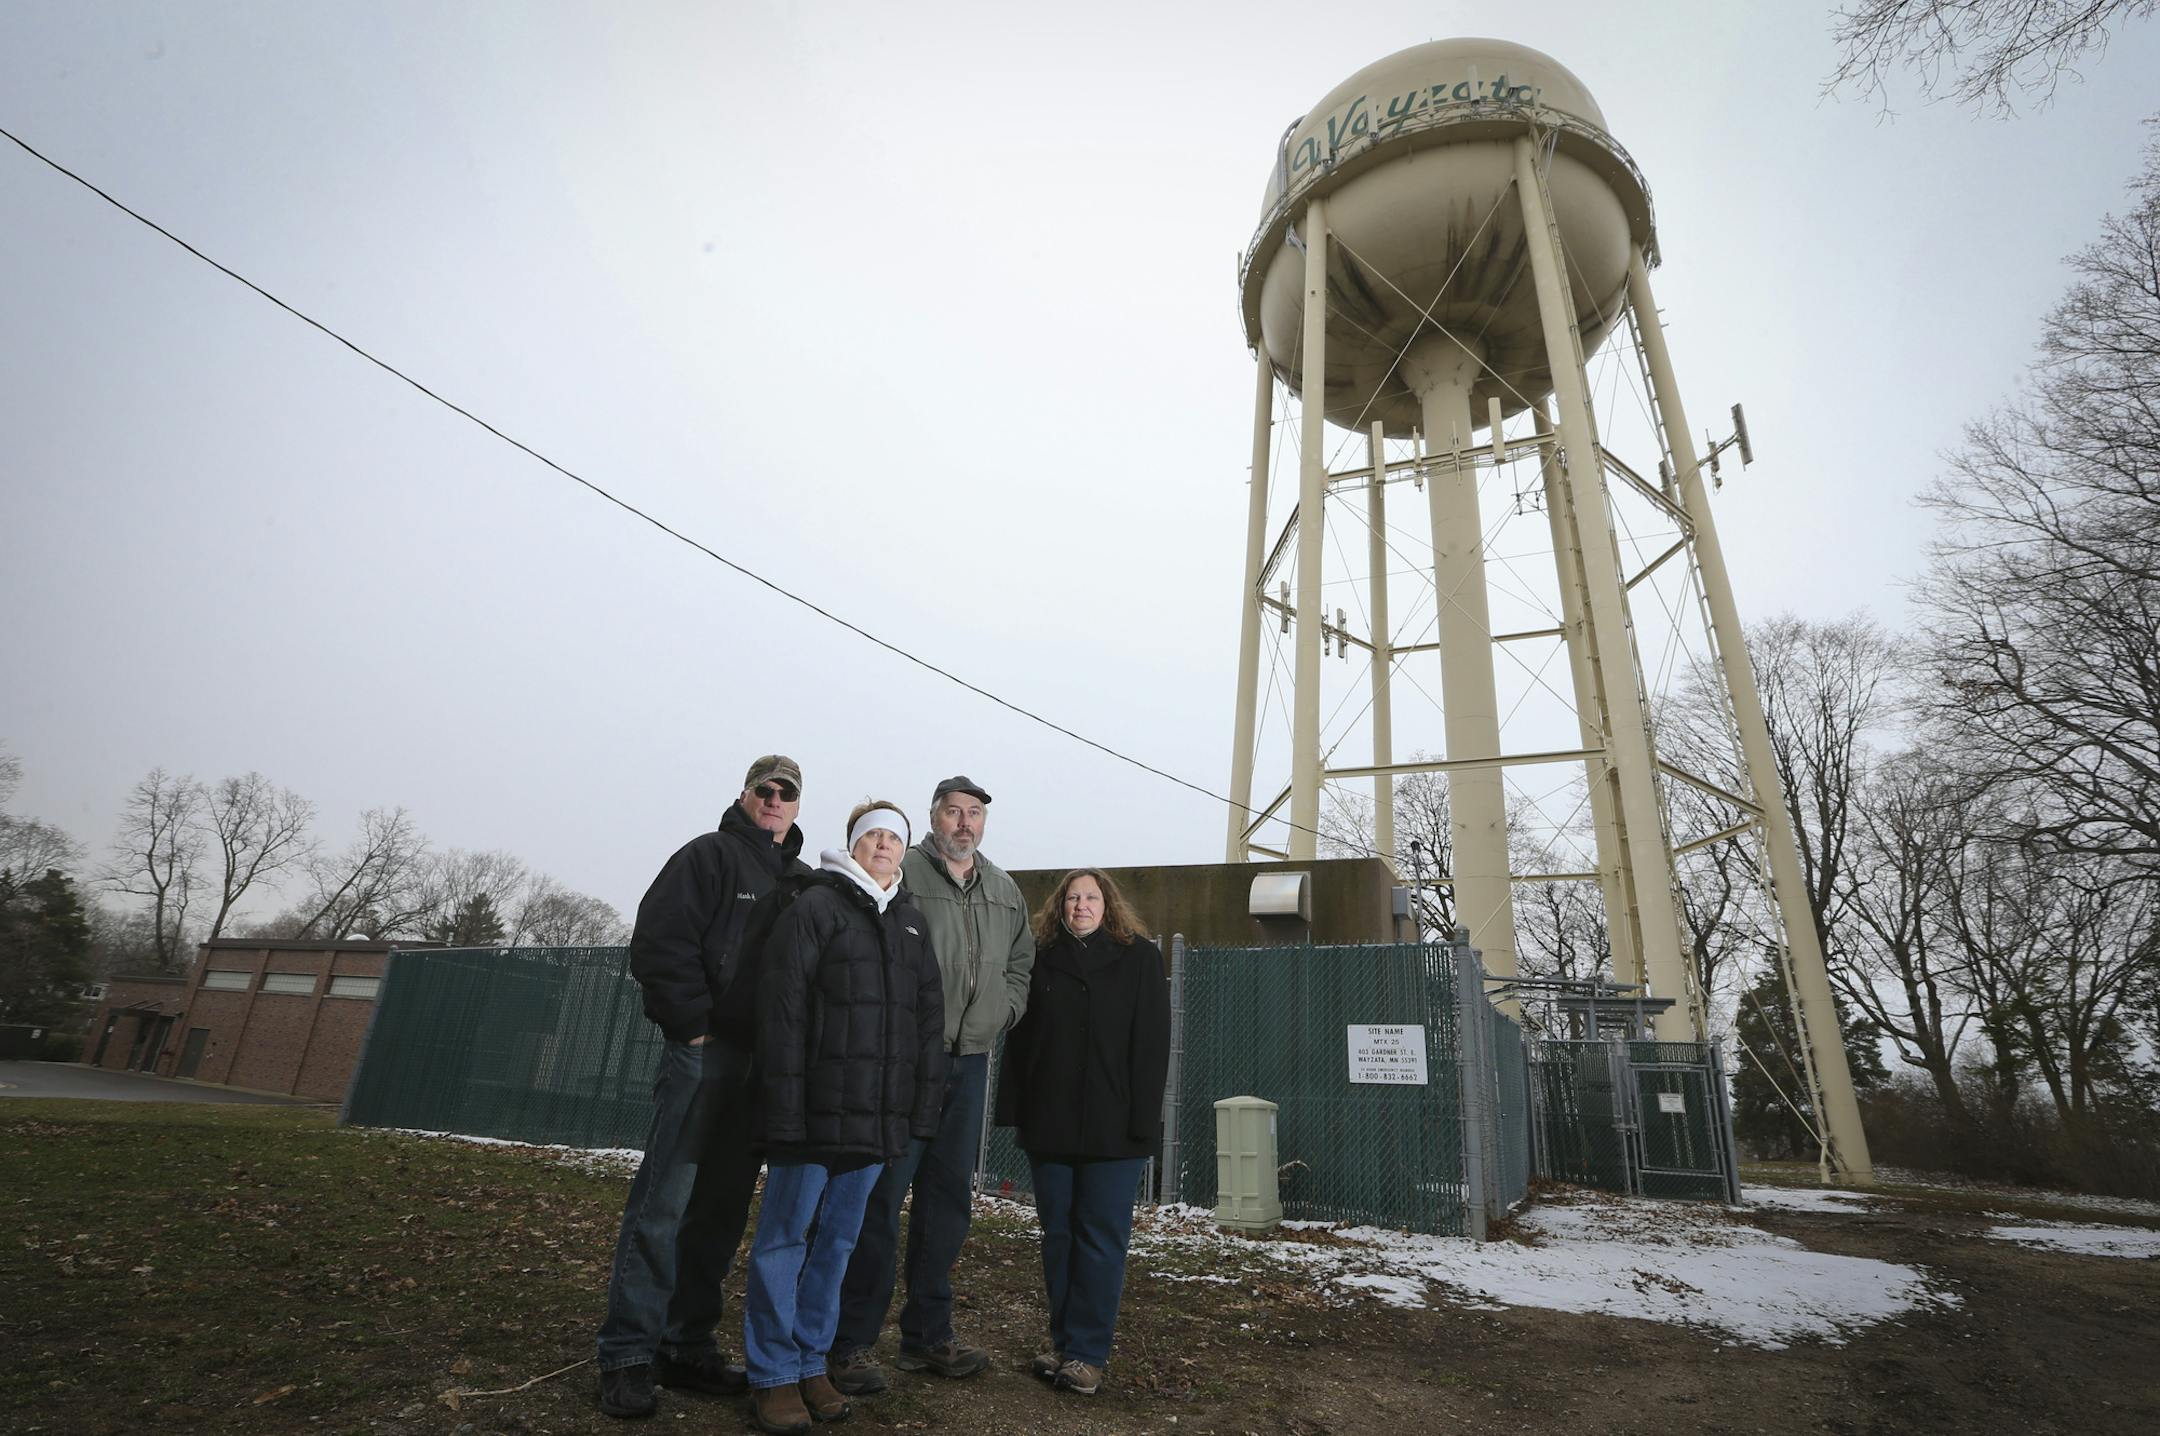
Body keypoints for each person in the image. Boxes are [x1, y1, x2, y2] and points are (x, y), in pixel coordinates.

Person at [596, 757, 813, 1420]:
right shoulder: (708, 856)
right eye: (764, 790)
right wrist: (691, 1026)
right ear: (745, 795)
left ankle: (684, 1343)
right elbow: (661, 940)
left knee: (718, 1213)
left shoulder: (804, 882)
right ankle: (628, 1353)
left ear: (799, 806)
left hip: (761, 1071)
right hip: (705, 1058)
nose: (774, 800)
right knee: (664, 1205)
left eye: (787, 793)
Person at [740, 801, 946, 1435]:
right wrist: (783, 1108)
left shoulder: (911, 923)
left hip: (874, 1123)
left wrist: (918, 1110)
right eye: (872, 835)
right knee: (783, 1241)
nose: (883, 845)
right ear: (853, 844)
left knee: (837, 1245)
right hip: (809, 1117)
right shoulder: (815, 907)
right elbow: (783, 1012)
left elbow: (927, 1026)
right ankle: (772, 1372)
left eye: (893, 837)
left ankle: (809, 1361)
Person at [829, 776, 1033, 1393]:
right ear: (934, 817)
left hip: (970, 1064)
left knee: (948, 1203)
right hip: (907, 1061)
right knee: (880, 1198)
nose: (964, 823)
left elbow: (1021, 964)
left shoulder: (1003, 889)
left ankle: (926, 1336)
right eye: (953, 812)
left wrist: (1003, 1012)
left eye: (974, 814)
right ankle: (853, 1340)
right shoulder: (909, 873)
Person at [994, 867, 1170, 1397]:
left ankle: (1089, 1354)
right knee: (1059, 1236)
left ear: (1108, 903)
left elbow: (1152, 1045)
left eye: (1091, 896)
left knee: (1101, 1240)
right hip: (1050, 1125)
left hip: (1117, 1130)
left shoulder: (1140, 958)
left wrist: (1144, 1123)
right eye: (1072, 897)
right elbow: (1021, 1045)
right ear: (1060, 905)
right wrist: (1015, 1112)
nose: (1081, 905)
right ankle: (1064, 1343)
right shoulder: (1041, 957)